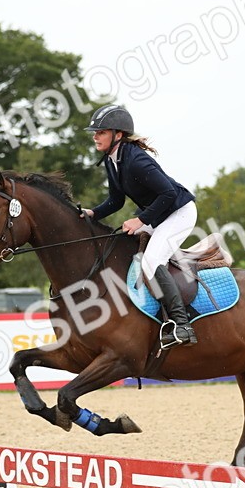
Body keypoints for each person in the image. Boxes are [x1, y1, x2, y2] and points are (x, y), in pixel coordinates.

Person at [80, 105, 198, 345]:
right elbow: (116, 200)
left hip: (179, 213)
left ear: (118, 134)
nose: (95, 136)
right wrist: (93, 213)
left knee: (152, 261)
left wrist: (140, 219)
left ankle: (182, 325)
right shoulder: (112, 160)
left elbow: (167, 193)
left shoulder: (136, 160)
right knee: (120, 246)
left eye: (101, 132)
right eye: (95, 132)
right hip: (159, 214)